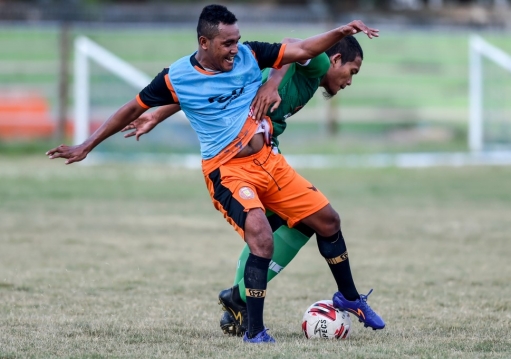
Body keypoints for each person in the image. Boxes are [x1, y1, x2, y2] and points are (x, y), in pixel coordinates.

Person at [46, 4, 382, 343]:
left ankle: (255, 298)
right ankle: (250, 321)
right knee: (264, 235)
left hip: (267, 158)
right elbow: (150, 101)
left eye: (237, 41)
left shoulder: (248, 55)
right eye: (228, 43)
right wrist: (88, 144)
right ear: (204, 42)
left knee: (318, 222)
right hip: (229, 169)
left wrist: (341, 31)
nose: (235, 49)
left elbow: (281, 57)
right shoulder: (179, 75)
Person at [121, 35, 375, 337]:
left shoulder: (309, 77)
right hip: (237, 161)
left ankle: (239, 300)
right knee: (279, 230)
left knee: (298, 224)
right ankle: (241, 304)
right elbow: (215, 90)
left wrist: (158, 115)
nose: (349, 82)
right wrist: (157, 114)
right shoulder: (296, 65)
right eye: (352, 72)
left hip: (266, 154)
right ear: (334, 60)